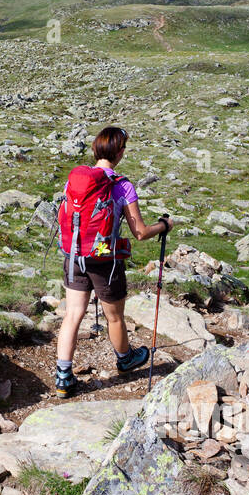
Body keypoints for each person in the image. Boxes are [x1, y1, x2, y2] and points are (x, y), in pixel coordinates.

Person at [55, 126, 170, 397]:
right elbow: (139, 232)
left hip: (74, 254)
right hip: (105, 260)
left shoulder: (75, 180)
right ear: (119, 153)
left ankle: (63, 377)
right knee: (114, 316)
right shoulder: (121, 186)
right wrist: (164, 226)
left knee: (72, 315)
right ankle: (125, 358)